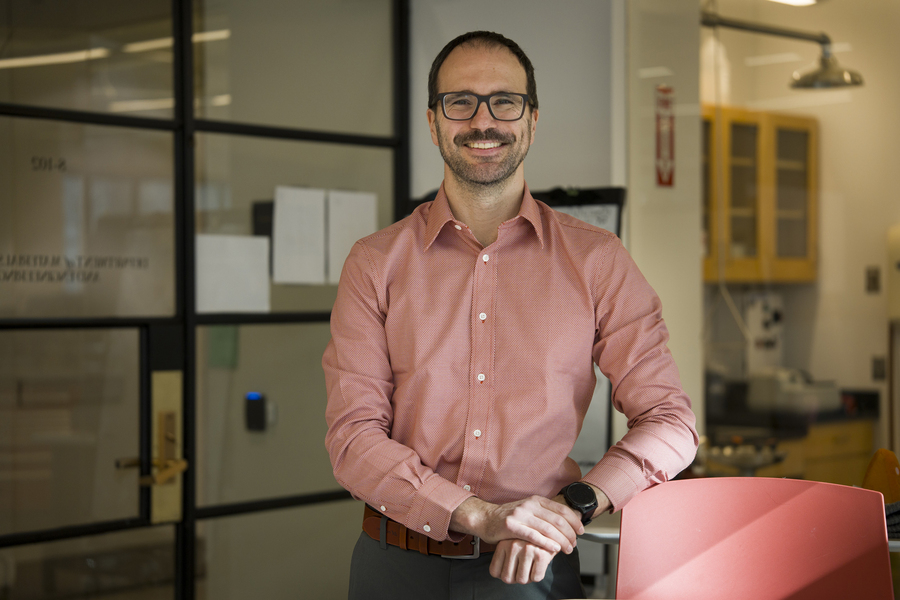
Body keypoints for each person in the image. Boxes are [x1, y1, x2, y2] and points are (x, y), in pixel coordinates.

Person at [323, 30, 698, 599]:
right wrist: (475, 514)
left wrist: (569, 508)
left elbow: (670, 421)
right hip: (394, 567)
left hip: (531, 571)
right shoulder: (374, 263)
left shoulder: (596, 259)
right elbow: (352, 438)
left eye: (505, 101)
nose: (483, 120)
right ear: (433, 121)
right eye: (460, 102)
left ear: (531, 119)